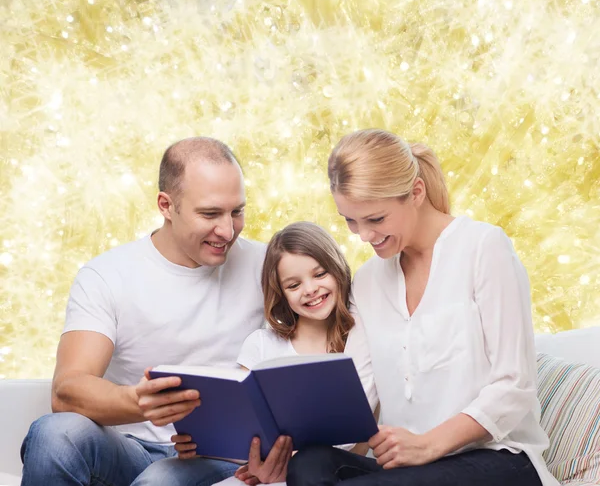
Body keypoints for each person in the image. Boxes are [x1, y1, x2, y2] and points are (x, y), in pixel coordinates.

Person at [283, 128, 559, 486]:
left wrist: (428, 444)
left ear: (416, 192)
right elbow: (358, 394)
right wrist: (282, 451)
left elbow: (514, 386)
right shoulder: (368, 281)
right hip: (412, 470)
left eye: (376, 219)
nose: (362, 236)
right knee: (309, 464)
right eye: (350, 220)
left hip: (499, 459)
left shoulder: (483, 248)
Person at [20, 137, 267, 486]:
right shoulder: (107, 274)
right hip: (131, 448)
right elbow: (66, 390)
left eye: (237, 211)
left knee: (158, 482)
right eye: (210, 213)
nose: (227, 230)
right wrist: (136, 401)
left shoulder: (268, 267)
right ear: (166, 205)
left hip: (221, 457)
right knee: (54, 434)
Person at [142, 221, 378, 486]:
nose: (310, 289)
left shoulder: (362, 339)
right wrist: (201, 445)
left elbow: (361, 440)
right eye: (293, 285)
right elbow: (241, 427)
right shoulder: (263, 345)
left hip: (334, 472)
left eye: (320, 274)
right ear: (281, 293)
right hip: (264, 473)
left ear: (337, 269)